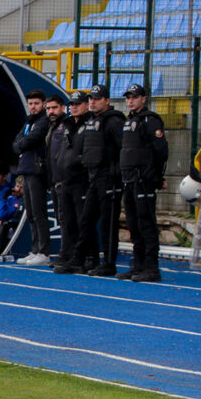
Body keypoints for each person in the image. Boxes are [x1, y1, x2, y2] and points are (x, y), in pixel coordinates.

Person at [118, 83, 169, 282]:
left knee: (146, 223)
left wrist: (155, 177)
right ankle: (138, 265)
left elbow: (161, 151)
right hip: (129, 179)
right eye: (128, 97)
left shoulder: (150, 120)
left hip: (143, 180)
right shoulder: (129, 121)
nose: (130, 100)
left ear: (143, 99)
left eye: (134, 97)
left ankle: (151, 267)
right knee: (133, 223)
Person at [76, 84, 125, 275]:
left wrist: (116, 173)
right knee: (87, 219)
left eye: (97, 99)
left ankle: (109, 262)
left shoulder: (114, 121)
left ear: (107, 100)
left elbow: (123, 148)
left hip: (109, 177)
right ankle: (87, 258)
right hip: (93, 176)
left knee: (108, 222)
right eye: (91, 99)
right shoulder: (91, 121)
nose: (92, 102)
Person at [11, 89, 51, 265]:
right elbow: (16, 143)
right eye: (30, 104)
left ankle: (44, 251)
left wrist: (22, 144)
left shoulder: (43, 122)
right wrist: (21, 144)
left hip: (36, 171)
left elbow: (30, 140)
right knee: (31, 213)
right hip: (26, 170)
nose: (33, 107)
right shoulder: (29, 122)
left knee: (38, 212)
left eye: (36, 103)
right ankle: (35, 249)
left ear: (42, 104)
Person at [49, 93, 88, 273]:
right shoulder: (67, 126)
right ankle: (67, 254)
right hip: (64, 179)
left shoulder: (89, 125)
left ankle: (81, 257)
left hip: (81, 179)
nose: (74, 107)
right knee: (67, 220)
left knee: (81, 220)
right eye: (72, 104)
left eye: (78, 104)